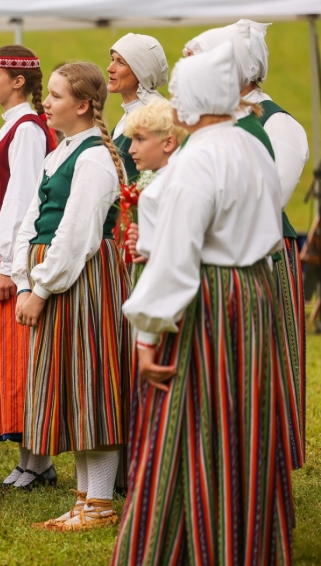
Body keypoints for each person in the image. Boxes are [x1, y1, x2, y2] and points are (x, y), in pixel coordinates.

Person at [111, 42, 294, 566]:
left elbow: (175, 259)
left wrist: (146, 335)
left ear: (193, 97)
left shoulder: (196, 161)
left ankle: (188, 556)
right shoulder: (251, 147)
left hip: (208, 302)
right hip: (254, 296)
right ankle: (245, 548)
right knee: (244, 420)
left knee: (190, 423)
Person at [12, 61, 131, 531]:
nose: (47, 101)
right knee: (71, 386)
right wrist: (24, 278)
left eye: (56, 96)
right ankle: (85, 500)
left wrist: (42, 286)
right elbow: (32, 219)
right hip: (55, 278)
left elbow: (79, 233)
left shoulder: (96, 157)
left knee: (90, 385)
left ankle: (100, 503)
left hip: (83, 280)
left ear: (82, 105)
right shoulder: (60, 153)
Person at [183, 22, 307, 470]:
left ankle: (267, 460)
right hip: (214, 260)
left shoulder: (279, 124)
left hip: (262, 261)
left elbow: (270, 198)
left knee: (264, 366)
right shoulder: (216, 122)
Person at [0, 45, 56, 489]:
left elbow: (23, 199)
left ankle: (38, 459)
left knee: (19, 353)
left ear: (18, 81)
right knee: (8, 352)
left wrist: (10, 266)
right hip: (1, 249)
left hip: (13, 253)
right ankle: (30, 457)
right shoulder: (16, 126)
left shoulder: (27, 130)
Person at [121, 99, 187, 282]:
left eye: (140, 139)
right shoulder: (156, 179)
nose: (132, 149)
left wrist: (150, 243)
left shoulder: (176, 184)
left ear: (168, 143)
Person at [107, 34, 169, 183]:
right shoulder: (131, 112)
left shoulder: (152, 116)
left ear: (141, 71)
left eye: (120, 62)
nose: (110, 68)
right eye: (112, 60)